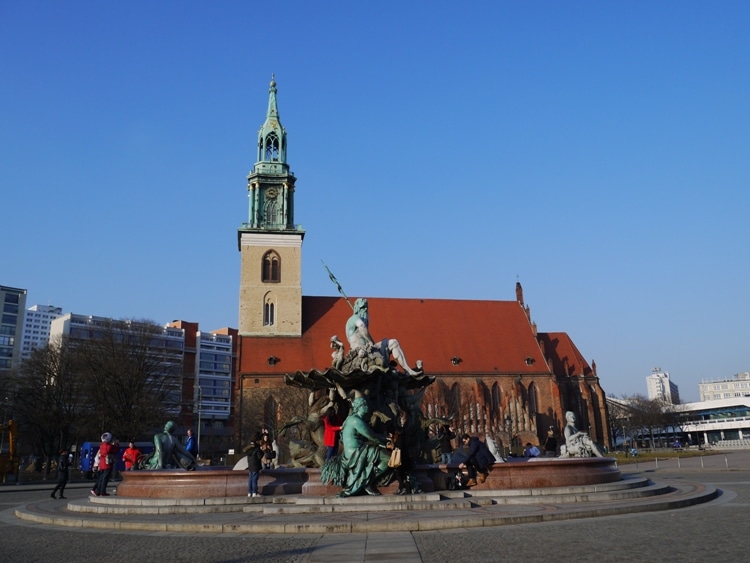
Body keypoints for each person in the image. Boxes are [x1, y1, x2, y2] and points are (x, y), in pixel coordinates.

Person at [321, 396, 392, 497]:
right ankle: (366, 481)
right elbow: (371, 436)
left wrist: (383, 438)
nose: (367, 408)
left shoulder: (351, 419)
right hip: (356, 453)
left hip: (355, 451)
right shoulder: (356, 421)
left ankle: (366, 479)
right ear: (359, 407)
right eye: (364, 406)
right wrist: (386, 440)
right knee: (388, 458)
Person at [345, 298, 419, 375]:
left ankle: (407, 370)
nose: (365, 309)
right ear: (357, 308)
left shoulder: (362, 319)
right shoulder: (354, 319)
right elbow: (362, 326)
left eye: (366, 307)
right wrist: (371, 341)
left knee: (393, 342)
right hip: (360, 350)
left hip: (369, 348)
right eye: (363, 307)